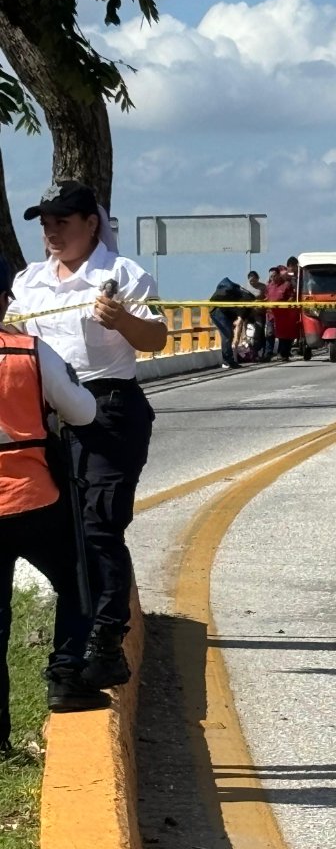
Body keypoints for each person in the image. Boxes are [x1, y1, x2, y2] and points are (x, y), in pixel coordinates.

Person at [8, 180, 168, 689]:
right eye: (46, 224)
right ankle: (72, 648)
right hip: (45, 416)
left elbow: (157, 338)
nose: (52, 233)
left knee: (100, 525)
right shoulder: (30, 280)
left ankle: (105, 640)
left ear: (90, 224)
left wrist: (121, 319)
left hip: (108, 407)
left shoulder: (121, 275)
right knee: (65, 529)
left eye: (63, 222)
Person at [0, 254, 110, 736]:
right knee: (81, 578)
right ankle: (66, 674)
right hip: (34, 501)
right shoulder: (30, 352)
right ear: (5, 299)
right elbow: (83, 412)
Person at [208, 276, 254, 370]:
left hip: (223, 311)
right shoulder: (246, 308)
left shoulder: (244, 302)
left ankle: (229, 360)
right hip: (218, 312)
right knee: (227, 335)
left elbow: (239, 324)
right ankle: (227, 361)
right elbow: (239, 324)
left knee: (228, 335)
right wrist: (236, 341)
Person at [263, 265, 299, 361]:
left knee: (283, 335)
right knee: (270, 334)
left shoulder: (287, 285)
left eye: (274, 276)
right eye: (271, 276)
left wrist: (285, 304)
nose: (272, 278)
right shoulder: (269, 286)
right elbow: (267, 298)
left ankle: (283, 354)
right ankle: (268, 354)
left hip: (283, 315)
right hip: (271, 314)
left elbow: (291, 297)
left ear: (278, 275)